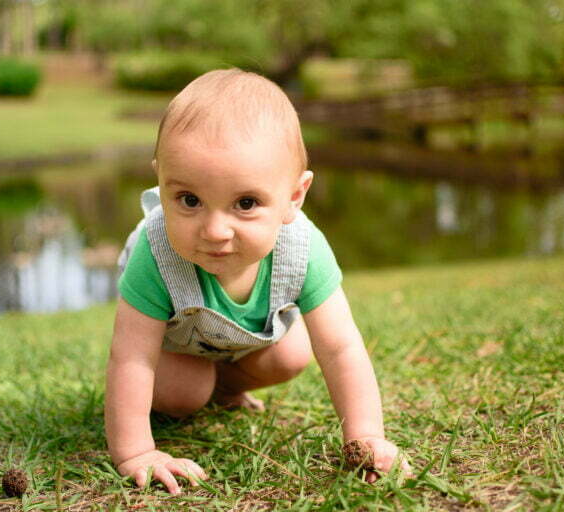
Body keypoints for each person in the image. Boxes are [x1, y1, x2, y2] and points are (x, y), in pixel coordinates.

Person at [104, 68, 407, 495]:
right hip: (177, 347)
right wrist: (135, 452)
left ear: (294, 198)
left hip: (249, 343)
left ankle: (226, 387)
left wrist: (366, 436)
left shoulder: (303, 248)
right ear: (161, 182)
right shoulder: (155, 253)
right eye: (189, 200)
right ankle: (205, 386)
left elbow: (340, 348)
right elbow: (131, 356)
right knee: (183, 394)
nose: (214, 230)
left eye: (245, 203)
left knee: (294, 352)